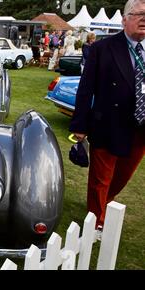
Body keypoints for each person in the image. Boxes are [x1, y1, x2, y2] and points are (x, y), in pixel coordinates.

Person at [70, 0, 145, 231]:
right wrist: (80, 125)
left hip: (140, 127)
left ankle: (104, 201)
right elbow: (86, 89)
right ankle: (97, 220)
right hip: (109, 123)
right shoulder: (103, 48)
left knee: (122, 176)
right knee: (101, 178)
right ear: (124, 19)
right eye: (139, 14)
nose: (144, 19)